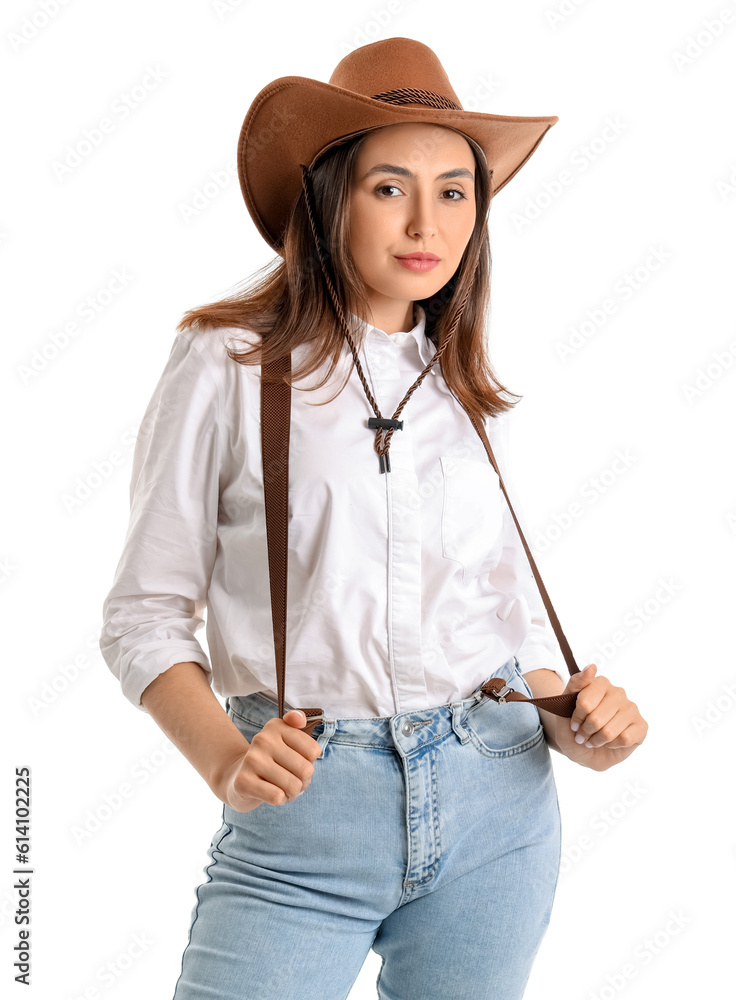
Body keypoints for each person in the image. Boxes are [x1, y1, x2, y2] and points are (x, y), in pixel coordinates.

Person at [99, 36, 648, 1000]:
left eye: (455, 191)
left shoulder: (467, 388)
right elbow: (142, 616)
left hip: (499, 805)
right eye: (389, 187)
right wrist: (229, 760)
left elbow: (498, 631)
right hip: (308, 812)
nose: (426, 221)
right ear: (328, 195)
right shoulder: (229, 361)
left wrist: (577, 719)